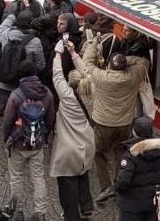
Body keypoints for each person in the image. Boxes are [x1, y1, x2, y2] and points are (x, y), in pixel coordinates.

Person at [83, 33, 150, 202]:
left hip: (103, 123)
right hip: (125, 123)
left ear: (110, 66)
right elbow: (144, 62)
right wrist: (128, 60)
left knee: (98, 152)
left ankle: (106, 187)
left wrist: (93, 44)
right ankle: (119, 184)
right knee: (120, 152)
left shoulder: (102, 77)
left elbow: (87, 63)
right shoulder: (133, 76)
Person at [1, 59, 55, 221]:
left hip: (18, 143)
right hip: (37, 143)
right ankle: (40, 213)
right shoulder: (47, 93)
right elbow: (51, 117)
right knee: (38, 178)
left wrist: (7, 140)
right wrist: (44, 137)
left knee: (16, 177)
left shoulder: (16, 95)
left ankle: (17, 211)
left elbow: (7, 120)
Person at [51, 41, 95, 221]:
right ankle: (86, 205)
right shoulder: (91, 90)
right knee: (82, 172)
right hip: (87, 143)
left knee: (67, 185)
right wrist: (74, 53)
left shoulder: (68, 96)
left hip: (68, 148)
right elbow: (88, 73)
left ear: (71, 82)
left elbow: (57, 75)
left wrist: (58, 54)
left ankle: (72, 216)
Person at [114, 117, 160, 221]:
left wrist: (116, 189)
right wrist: (157, 178)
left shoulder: (131, 154)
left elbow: (123, 182)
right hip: (151, 203)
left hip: (131, 205)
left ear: (134, 132)